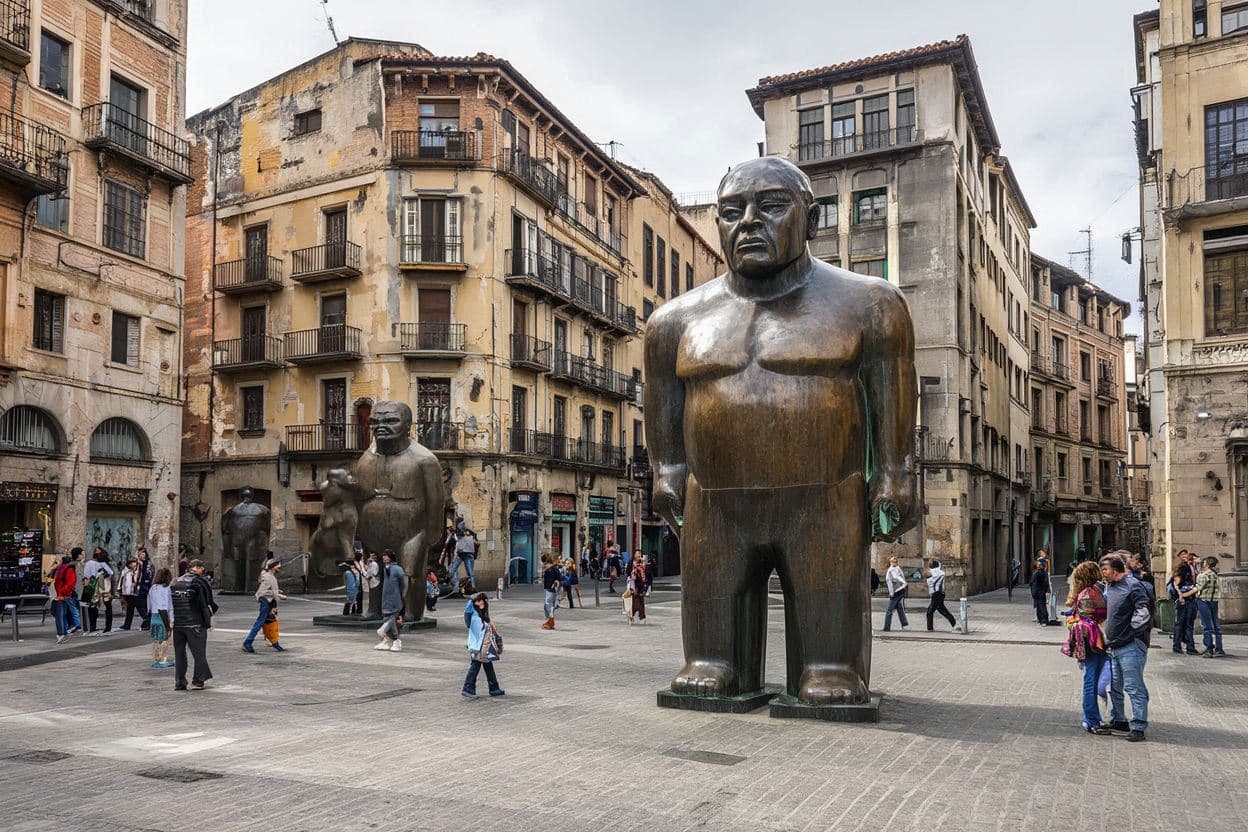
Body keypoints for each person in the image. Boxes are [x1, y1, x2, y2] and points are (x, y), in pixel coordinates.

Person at [1099, 554, 1151, 741]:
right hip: (1114, 645)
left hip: (1131, 645)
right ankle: (1119, 719)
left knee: (1133, 686)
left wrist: (1129, 631)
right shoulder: (1110, 586)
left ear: (1115, 570)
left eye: (1105, 569)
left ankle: (1138, 725)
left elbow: (1144, 611)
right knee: (1115, 686)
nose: (1102, 573)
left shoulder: (1133, 585)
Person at [1063, 561, 1109, 733]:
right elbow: (1096, 615)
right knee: (1091, 678)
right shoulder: (1091, 592)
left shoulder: (1087, 591)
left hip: (1089, 638)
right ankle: (1091, 720)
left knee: (1093, 678)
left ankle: (1094, 717)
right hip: (1093, 638)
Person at [170, 559, 218, 691]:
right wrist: (208, 619)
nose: (203, 570)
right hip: (195, 623)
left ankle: (180, 682)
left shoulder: (176, 581)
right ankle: (198, 681)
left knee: (179, 654)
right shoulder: (200, 582)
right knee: (199, 654)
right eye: (201, 568)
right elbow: (207, 603)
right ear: (196, 568)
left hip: (178, 623)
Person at [462, 592, 505, 698]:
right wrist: (472, 599)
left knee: (488, 666)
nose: (481, 603)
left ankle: (494, 688)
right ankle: (468, 689)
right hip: (478, 646)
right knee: (475, 666)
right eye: (478, 601)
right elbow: (467, 610)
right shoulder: (472, 615)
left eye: (482, 601)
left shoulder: (483, 615)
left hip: (486, 647)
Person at [244, 558, 287, 653]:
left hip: (270, 601)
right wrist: (278, 595)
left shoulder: (270, 576)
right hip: (266, 602)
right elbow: (262, 592)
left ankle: (275, 643)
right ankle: (248, 642)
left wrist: (276, 591)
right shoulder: (268, 577)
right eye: (278, 565)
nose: (279, 567)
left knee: (271, 621)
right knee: (260, 622)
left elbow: (267, 588)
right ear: (273, 567)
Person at [374, 550, 408, 652]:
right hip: (386, 599)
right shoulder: (385, 568)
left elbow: (404, 584)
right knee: (388, 619)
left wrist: (402, 596)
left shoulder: (398, 569)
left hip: (395, 599)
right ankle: (395, 641)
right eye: (383, 555)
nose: (384, 557)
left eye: (386, 556)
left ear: (391, 557)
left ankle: (382, 631)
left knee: (392, 618)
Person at [1194, 556, 1225, 658]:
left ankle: (1209, 649)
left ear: (1207, 564)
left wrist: (1186, 594)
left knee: (1207, 626)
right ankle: (1219, 649)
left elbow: (1198, 588)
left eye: (1204, 563)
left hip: (1204, 600)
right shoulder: (1215, 574)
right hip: (1214, 601)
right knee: (1216, 625)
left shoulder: (1204, 575)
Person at [52, 552, 83, 643]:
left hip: (62, 595)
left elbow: (68, 583)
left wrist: (61, 593)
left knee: (61, 614)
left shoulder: (62, 569)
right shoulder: (67, 568)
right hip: (64, 594)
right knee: (65, 613)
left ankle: (63, 633)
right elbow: (70, 583)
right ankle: (66, 631)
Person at [83, 547, 115, 634]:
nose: (97, 554)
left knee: (106, 607)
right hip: (95, 587)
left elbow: (111, 574)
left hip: (104, 588)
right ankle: (93, 626)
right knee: (93, 607)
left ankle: (107, 627)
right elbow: (86, 576)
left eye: (99, 552)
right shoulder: (90, 563)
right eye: (96, 552)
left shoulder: (103, 563)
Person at [1169, 559, 1198, 655]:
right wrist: (1182, 595)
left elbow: (1174, 586)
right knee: (1187, 624)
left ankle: (1178, 646)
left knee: (1180, 624)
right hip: (1186, 601)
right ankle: (1189, 647)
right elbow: (1176, 585)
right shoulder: (1184, 575)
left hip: (1183, 601)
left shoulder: (1178, 575)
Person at [147, 567, 174, 668]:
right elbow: (169, 605)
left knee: (155, 639)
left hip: (154, 615)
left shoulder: (153, 588)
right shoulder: (168, 589)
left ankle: (155, 657)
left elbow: (149, 603)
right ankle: (163, 658)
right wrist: (171, 620)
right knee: (165, 638)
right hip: (164, 615)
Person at [925, 559, 958, 631]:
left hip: (936, 594)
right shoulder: (941, 573)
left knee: (930, 611)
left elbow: (928, 575)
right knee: (941, 610)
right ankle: (954, 623)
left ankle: (930, 628)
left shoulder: (933, 572)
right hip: (940, 593)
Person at [882, 556, 909, 631]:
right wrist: (904, 584)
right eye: (893, 561)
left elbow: (891, 582)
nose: (894, 563)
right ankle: (904, 623)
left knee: (889, 610)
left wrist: (891, 593)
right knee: (899, 608)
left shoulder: (891, 570)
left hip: (896, 592)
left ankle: (887, 627)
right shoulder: (897, 568)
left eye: (895, 561)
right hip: (900, 590)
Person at [447, 529, 477, 594]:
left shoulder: (467, 536)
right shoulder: (458, 536)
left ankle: (472, 588)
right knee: (452, 570)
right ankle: (456, 587)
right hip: (461, 554)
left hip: (465, 554)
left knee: (469, 573)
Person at [118, 557, 142, 630]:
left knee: (139, 608)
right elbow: (121, 581)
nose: (135, 567)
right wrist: (120, 591)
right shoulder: (125, 571)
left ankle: (145, 620)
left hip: (135, 592)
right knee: (130, 609)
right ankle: (127, 625)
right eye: (133, 565)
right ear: (129, 564)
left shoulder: (138, 571)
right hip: (128, 593)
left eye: (135, 566)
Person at [540, 553, 560, 630]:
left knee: (548, 605)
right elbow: (559, 577)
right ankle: (550, 622)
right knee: (548, 605)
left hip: (549, 588)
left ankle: (550, 620)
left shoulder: (548, 568)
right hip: (552, 588)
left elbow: (558, 577)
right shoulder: (554, 567)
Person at [135, 548, 154, 630]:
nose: (141, 555)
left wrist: (142, 565)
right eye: (140, 554)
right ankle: (146, 620)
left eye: (143, 553)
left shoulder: (148, 564)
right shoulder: (136, 563)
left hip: (145, 587)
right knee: (138, 604)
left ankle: (147, 620)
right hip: (138, 587)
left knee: (144, 605)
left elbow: (149, 575)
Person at [628, 554, 649, 624]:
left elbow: (647, 574)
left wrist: (645, 564)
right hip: (634, 585)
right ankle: (633, 616)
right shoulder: (631, 564)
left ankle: (642, 617)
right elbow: (628, 573)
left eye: (640, 554)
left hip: (641, 585)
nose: (639, 556)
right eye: (637, 554)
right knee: (635, 602)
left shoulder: (642, 565)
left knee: (641, 601)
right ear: (634, 555)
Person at [1030, 555, 1050, 626]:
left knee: (1041, 605)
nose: (1037, 564)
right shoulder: (1037, 572)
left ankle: (1043, 620)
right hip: (1037, 592)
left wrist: (1043, 590)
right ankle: (1041, 619)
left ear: (1042, 565)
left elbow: (1045, 583)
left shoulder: (1040, 573)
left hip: (1039, 591)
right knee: (1039, 605)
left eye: (1039, 564)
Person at [364, 552, 381, 616]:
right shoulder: (371, 563)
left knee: (374, 596)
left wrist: (368, 578)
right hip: (372, 582)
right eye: (370, 556)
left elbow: (374, 573)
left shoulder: (374, 564)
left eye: (373, 556)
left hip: (375, 582)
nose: (371, 557)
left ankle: (375, 612)